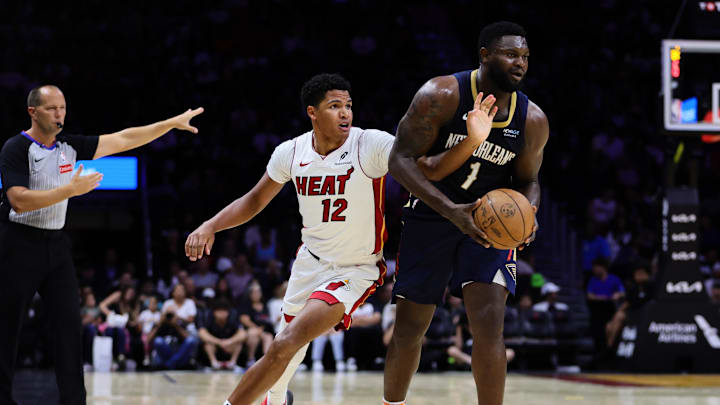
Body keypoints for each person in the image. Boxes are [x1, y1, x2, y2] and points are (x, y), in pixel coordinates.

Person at [185, 73, 400, 405]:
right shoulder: (292, 152)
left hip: (354, 269)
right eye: (334, 106)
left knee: (287, 341)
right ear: (312, 112)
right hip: (310, 261)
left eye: (348, 106)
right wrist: (210, 225)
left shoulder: (370, 144)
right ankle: (278, 399)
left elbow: (414, 160)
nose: (345, 113)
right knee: (285, 343)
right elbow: (254, 201)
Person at [0, 84, 202, 405]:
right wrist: (70, 191)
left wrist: (168, 124)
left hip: (56, 244)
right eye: (52, 108)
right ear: (33, 112)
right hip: (18, 243)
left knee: (69, 327)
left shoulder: (69, 145)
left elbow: (124, 138)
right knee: (7, 327)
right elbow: (19, 200)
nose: (59, 114)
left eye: (63, 107)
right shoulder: (15, 148)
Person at [384, 22, 549, 405]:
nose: (520, 63)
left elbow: (530, 180)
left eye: (525, 57)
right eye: (510, 54)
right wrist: (453, 212)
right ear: (485, 55)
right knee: (410, 328)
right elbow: (400, 160)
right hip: (430, 215)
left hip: (490, 226)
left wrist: (530, 212)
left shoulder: (532, 120)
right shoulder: (441, 94)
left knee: (490, 325)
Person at [198, 299, 247, 371]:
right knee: (207, 344)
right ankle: (214, 364)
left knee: (238, 344)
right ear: (214, 312)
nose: (222, 314)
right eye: (219, 311)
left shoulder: (233, 317)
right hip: (215, 345)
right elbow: (202, 333)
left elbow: (243, 334)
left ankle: (232, 364)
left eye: (224, 311)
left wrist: (229, 341)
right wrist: (219, 342)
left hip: (229, 346)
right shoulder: (208, 317)